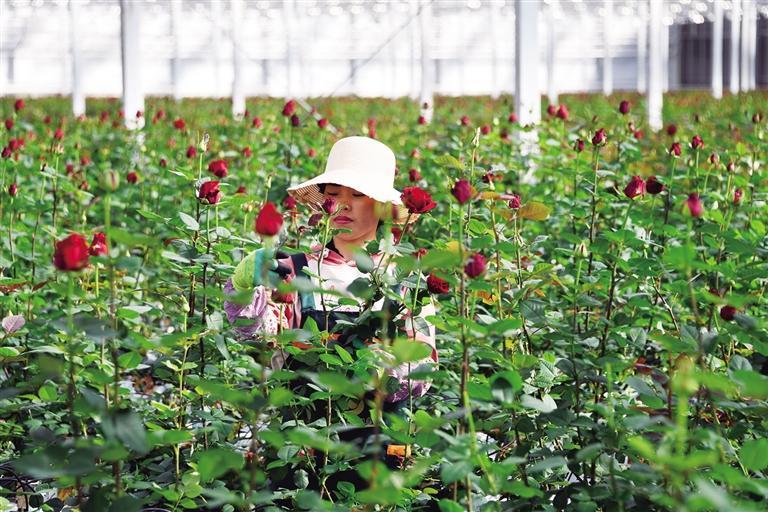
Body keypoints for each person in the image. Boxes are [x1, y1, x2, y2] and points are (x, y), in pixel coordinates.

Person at [222, 136, 437, 494]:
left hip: (377, 451)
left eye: (358, 195)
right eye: (335, 194)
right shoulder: (294, 270)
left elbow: (422, 369)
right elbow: (257, 334)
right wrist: (243, 284)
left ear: (382, 207)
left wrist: (374, 367)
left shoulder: (405, 281)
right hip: (301, 450)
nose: (343, 205)